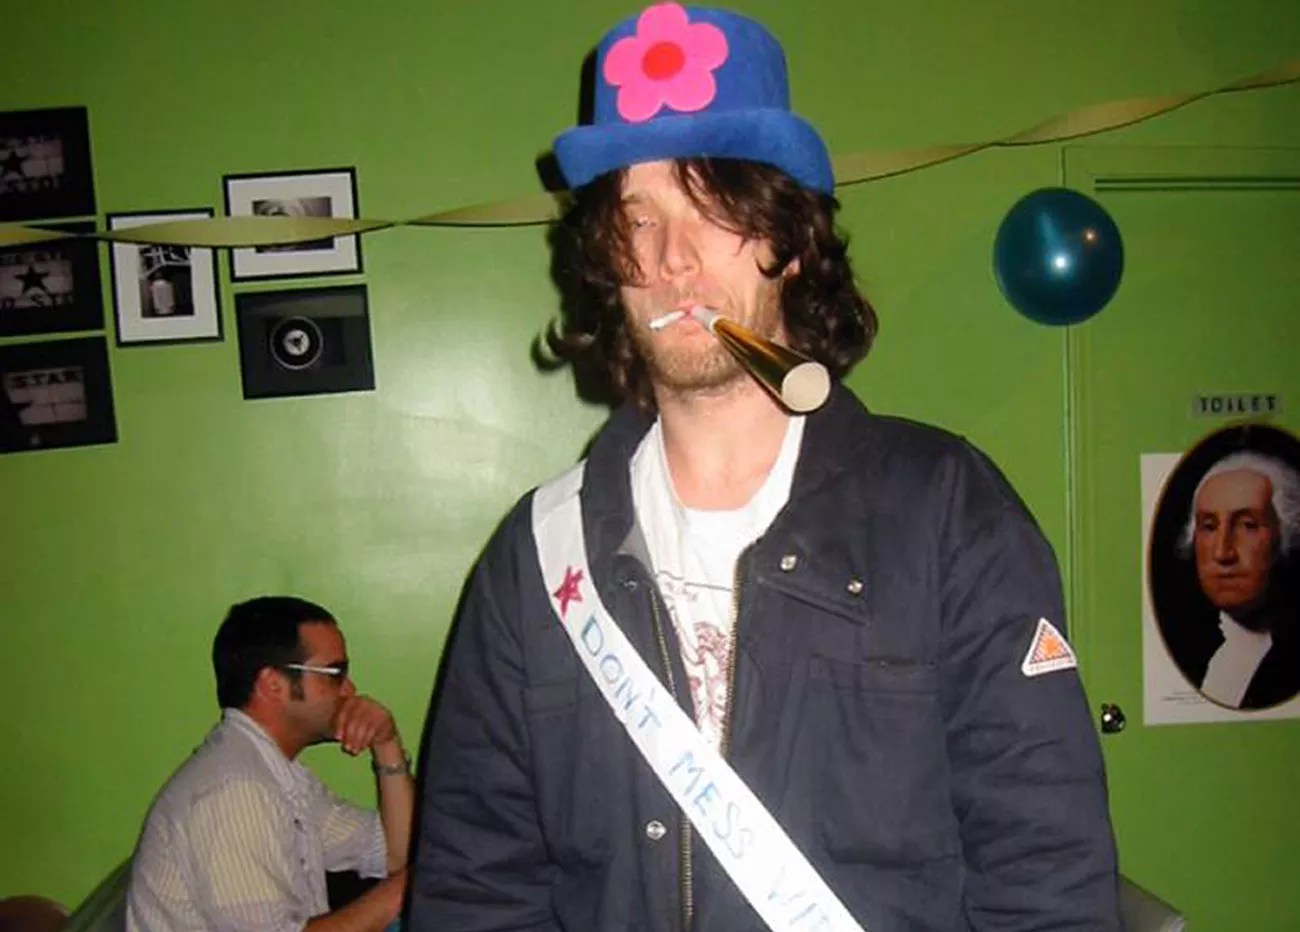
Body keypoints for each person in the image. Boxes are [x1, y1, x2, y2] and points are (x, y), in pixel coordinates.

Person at [408, 4, 1120, 930]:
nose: (672, 259)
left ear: (789, 243)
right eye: (637, 218)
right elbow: (477, 895)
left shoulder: (944, 512)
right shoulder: (535, 562)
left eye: (713, 211)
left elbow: (1048, 876)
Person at [126, 596, 412, 931]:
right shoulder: (235, 792)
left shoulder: (278, 776)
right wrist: (407, 887)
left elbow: (395, 852)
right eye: (335, 673)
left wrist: (387, 744)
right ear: (272, 684)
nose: (350, 689)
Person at [1170, 451, 1300, 709]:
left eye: (1247, 525)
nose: (1223, 552)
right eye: (1209, 526)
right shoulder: (1193, 654)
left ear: (1286, 536)